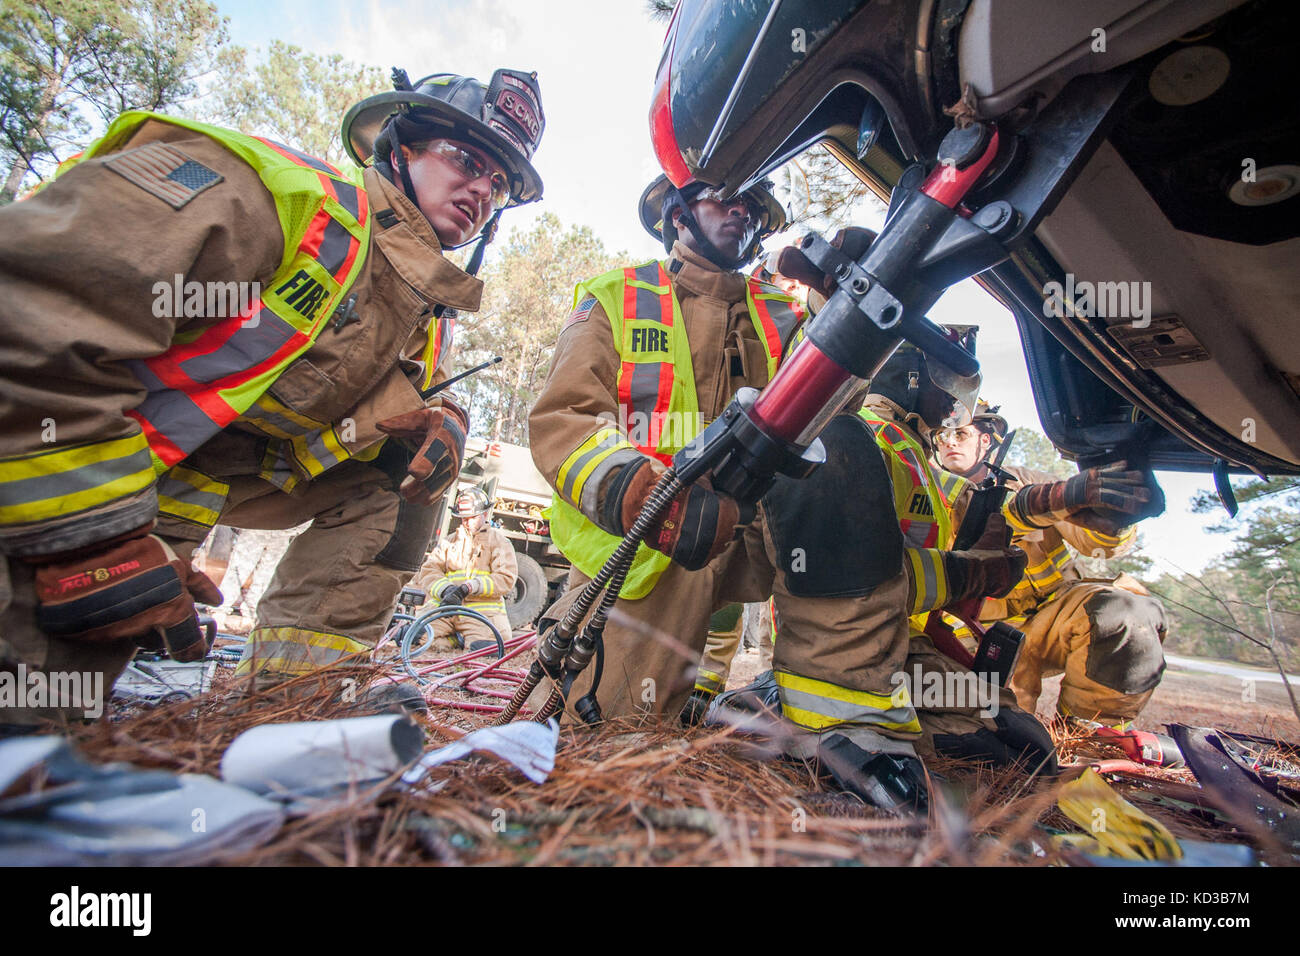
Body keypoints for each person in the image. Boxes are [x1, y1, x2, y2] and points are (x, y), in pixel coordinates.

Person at [0, 67, 546, 728]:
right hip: (51, 479)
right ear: (399, 147)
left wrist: (449, 419)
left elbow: (372, 419)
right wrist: (90, 541)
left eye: (499, 185)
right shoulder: (274, 200)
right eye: (466, 159)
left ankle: (295, 706)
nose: (482, 190)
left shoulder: (420, 311)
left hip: (164, 492)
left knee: (403, 472)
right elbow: (26, 312)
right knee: (25, 716)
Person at [528, 174, 800, 722]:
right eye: (725, 197)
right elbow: (565, 418)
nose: (741, 212)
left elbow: (837, 419)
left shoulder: (786, 318)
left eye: (751, 204)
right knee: (610, 734)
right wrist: (647, 498)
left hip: (755, 539)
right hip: (648, 548)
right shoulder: (618, 297)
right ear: (678, 215)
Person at [930, 402, 1169, 727]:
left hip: (1055, 615)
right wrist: (1049, 500)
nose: (950, 442)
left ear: (984, 441)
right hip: (978, 631)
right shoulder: (928, 494)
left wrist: (1118, 517)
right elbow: (966, 536)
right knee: (995, 728)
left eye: (960, 433)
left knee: (1126, 616)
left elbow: (1099, 544)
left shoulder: (1031, 480)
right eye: (942, 435)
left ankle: (1091, 735)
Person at [412, 487, 517, 650]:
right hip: (447, 609)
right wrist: (446, 590)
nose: (467, 522)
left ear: (484, 514)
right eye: (463, 518)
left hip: (481, 615)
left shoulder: (499, 542)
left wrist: (470, 587)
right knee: (414, 637)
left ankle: (459, 640)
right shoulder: (449, 541)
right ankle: (455, 641)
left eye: (472, 517)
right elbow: (428, 571)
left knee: (484, 648)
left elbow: (505, 578)